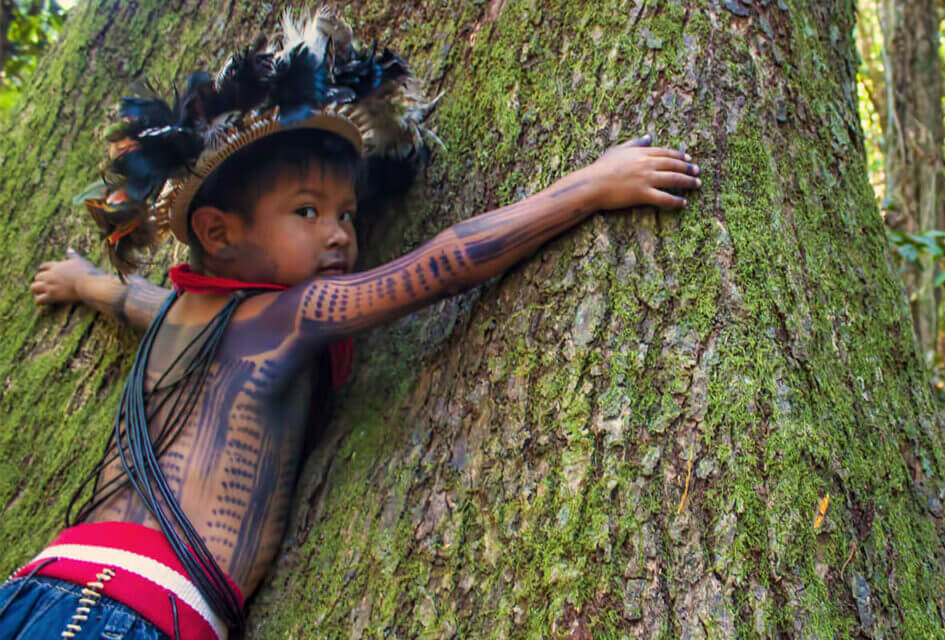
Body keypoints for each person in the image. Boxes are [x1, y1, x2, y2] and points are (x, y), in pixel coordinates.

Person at [4, 8, 701, 640]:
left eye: (347, 215)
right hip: (129, 613)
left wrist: (84, 283)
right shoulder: (291, 312)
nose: (340, 234)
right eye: (308, 211)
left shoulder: (183, 320)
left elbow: (132, 301)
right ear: (216, 232)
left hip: (39, 590)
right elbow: (443, 264)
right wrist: (591, 186)